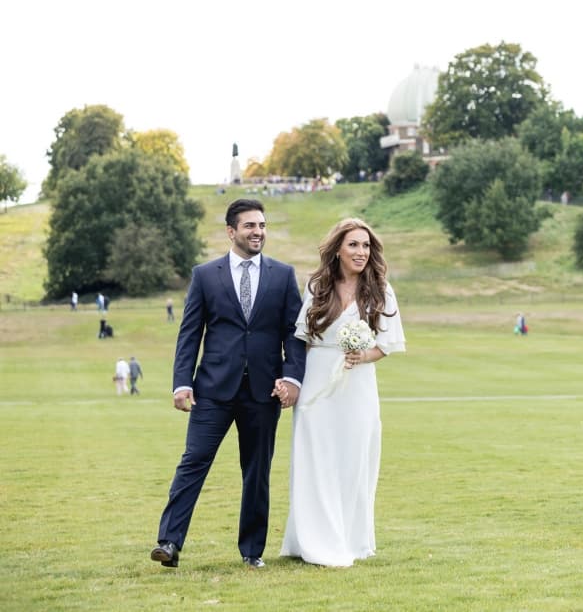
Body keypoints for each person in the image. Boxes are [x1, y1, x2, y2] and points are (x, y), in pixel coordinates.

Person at [150, 198, 307, 570]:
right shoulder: (205, 275)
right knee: (193, 463)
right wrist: (181, 383)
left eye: (262, 225)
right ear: (231, 231)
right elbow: (190, 333)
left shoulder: (283, 275)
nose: (258, 232)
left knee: (256, 472)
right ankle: (169, 543)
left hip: (264, 393)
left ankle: (252, 551)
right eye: (250, 225)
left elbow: (294, 333)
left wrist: (291, 378)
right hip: (213, 390)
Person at [278, 218, 405, 567]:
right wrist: (295, 382)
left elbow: (388, 343)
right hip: (318, 383)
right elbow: (300, 339)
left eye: (366, 246)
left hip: (358, 386)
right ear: (337, 249)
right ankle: (312, 538)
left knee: (354, 461)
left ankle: (348, 538)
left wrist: (364, 354)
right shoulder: (318, 286)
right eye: (353, 245)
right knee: (315, 459)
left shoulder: (381, 290)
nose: (361, 252)